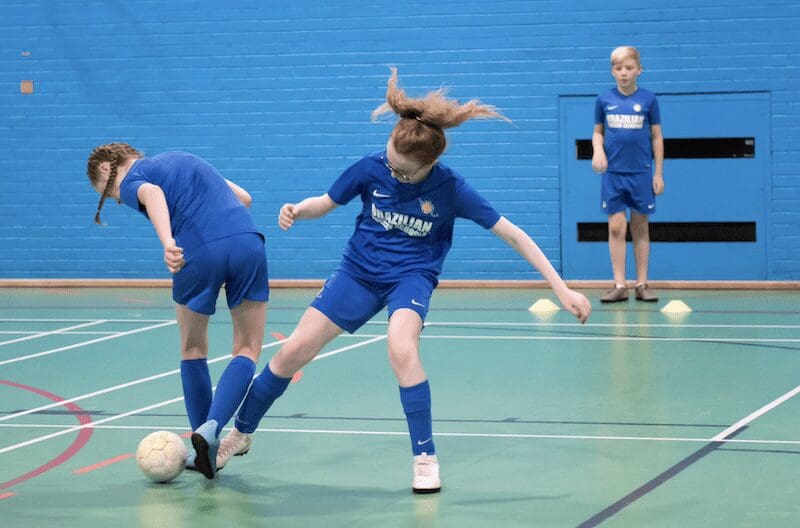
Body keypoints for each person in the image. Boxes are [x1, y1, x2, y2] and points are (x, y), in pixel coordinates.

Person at [215, 68, 592, 494]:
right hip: (358, 272)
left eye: (402, 171)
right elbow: (326, 201)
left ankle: (425, 457)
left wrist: (561, 288)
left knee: (401, 347)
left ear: (428, 165)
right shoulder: (372, 168)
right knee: (293, 351)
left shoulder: (452, 189)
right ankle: (239, 434)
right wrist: (298, 210)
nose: (392, 172)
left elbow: (513, 235)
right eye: (390, 161)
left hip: (411, 278)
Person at [86, 144, 268, 479]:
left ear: (104, 170)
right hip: (247, 241)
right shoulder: (186, 159)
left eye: (108, 194)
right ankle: (213, 432)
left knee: (193, 347)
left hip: (196, 252)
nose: (117, 199)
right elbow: (244, 198)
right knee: (247, 348)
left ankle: (204, 429)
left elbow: (152, 194)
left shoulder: (133, 178)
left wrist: (168, 242)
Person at [591, 46, 664, 303]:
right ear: (612, 71)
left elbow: (656, 137)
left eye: (629, 68)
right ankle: (620, 285)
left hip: (641, 174)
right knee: (616, 227)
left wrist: (658, 173)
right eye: (618, 68)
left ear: (639, 70)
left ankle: (642, 284)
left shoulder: (648, 100)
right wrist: (597, 151)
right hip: (614, 175)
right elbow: (598, 131)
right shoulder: (604, 100)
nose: (623, 73)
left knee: (640, 226)